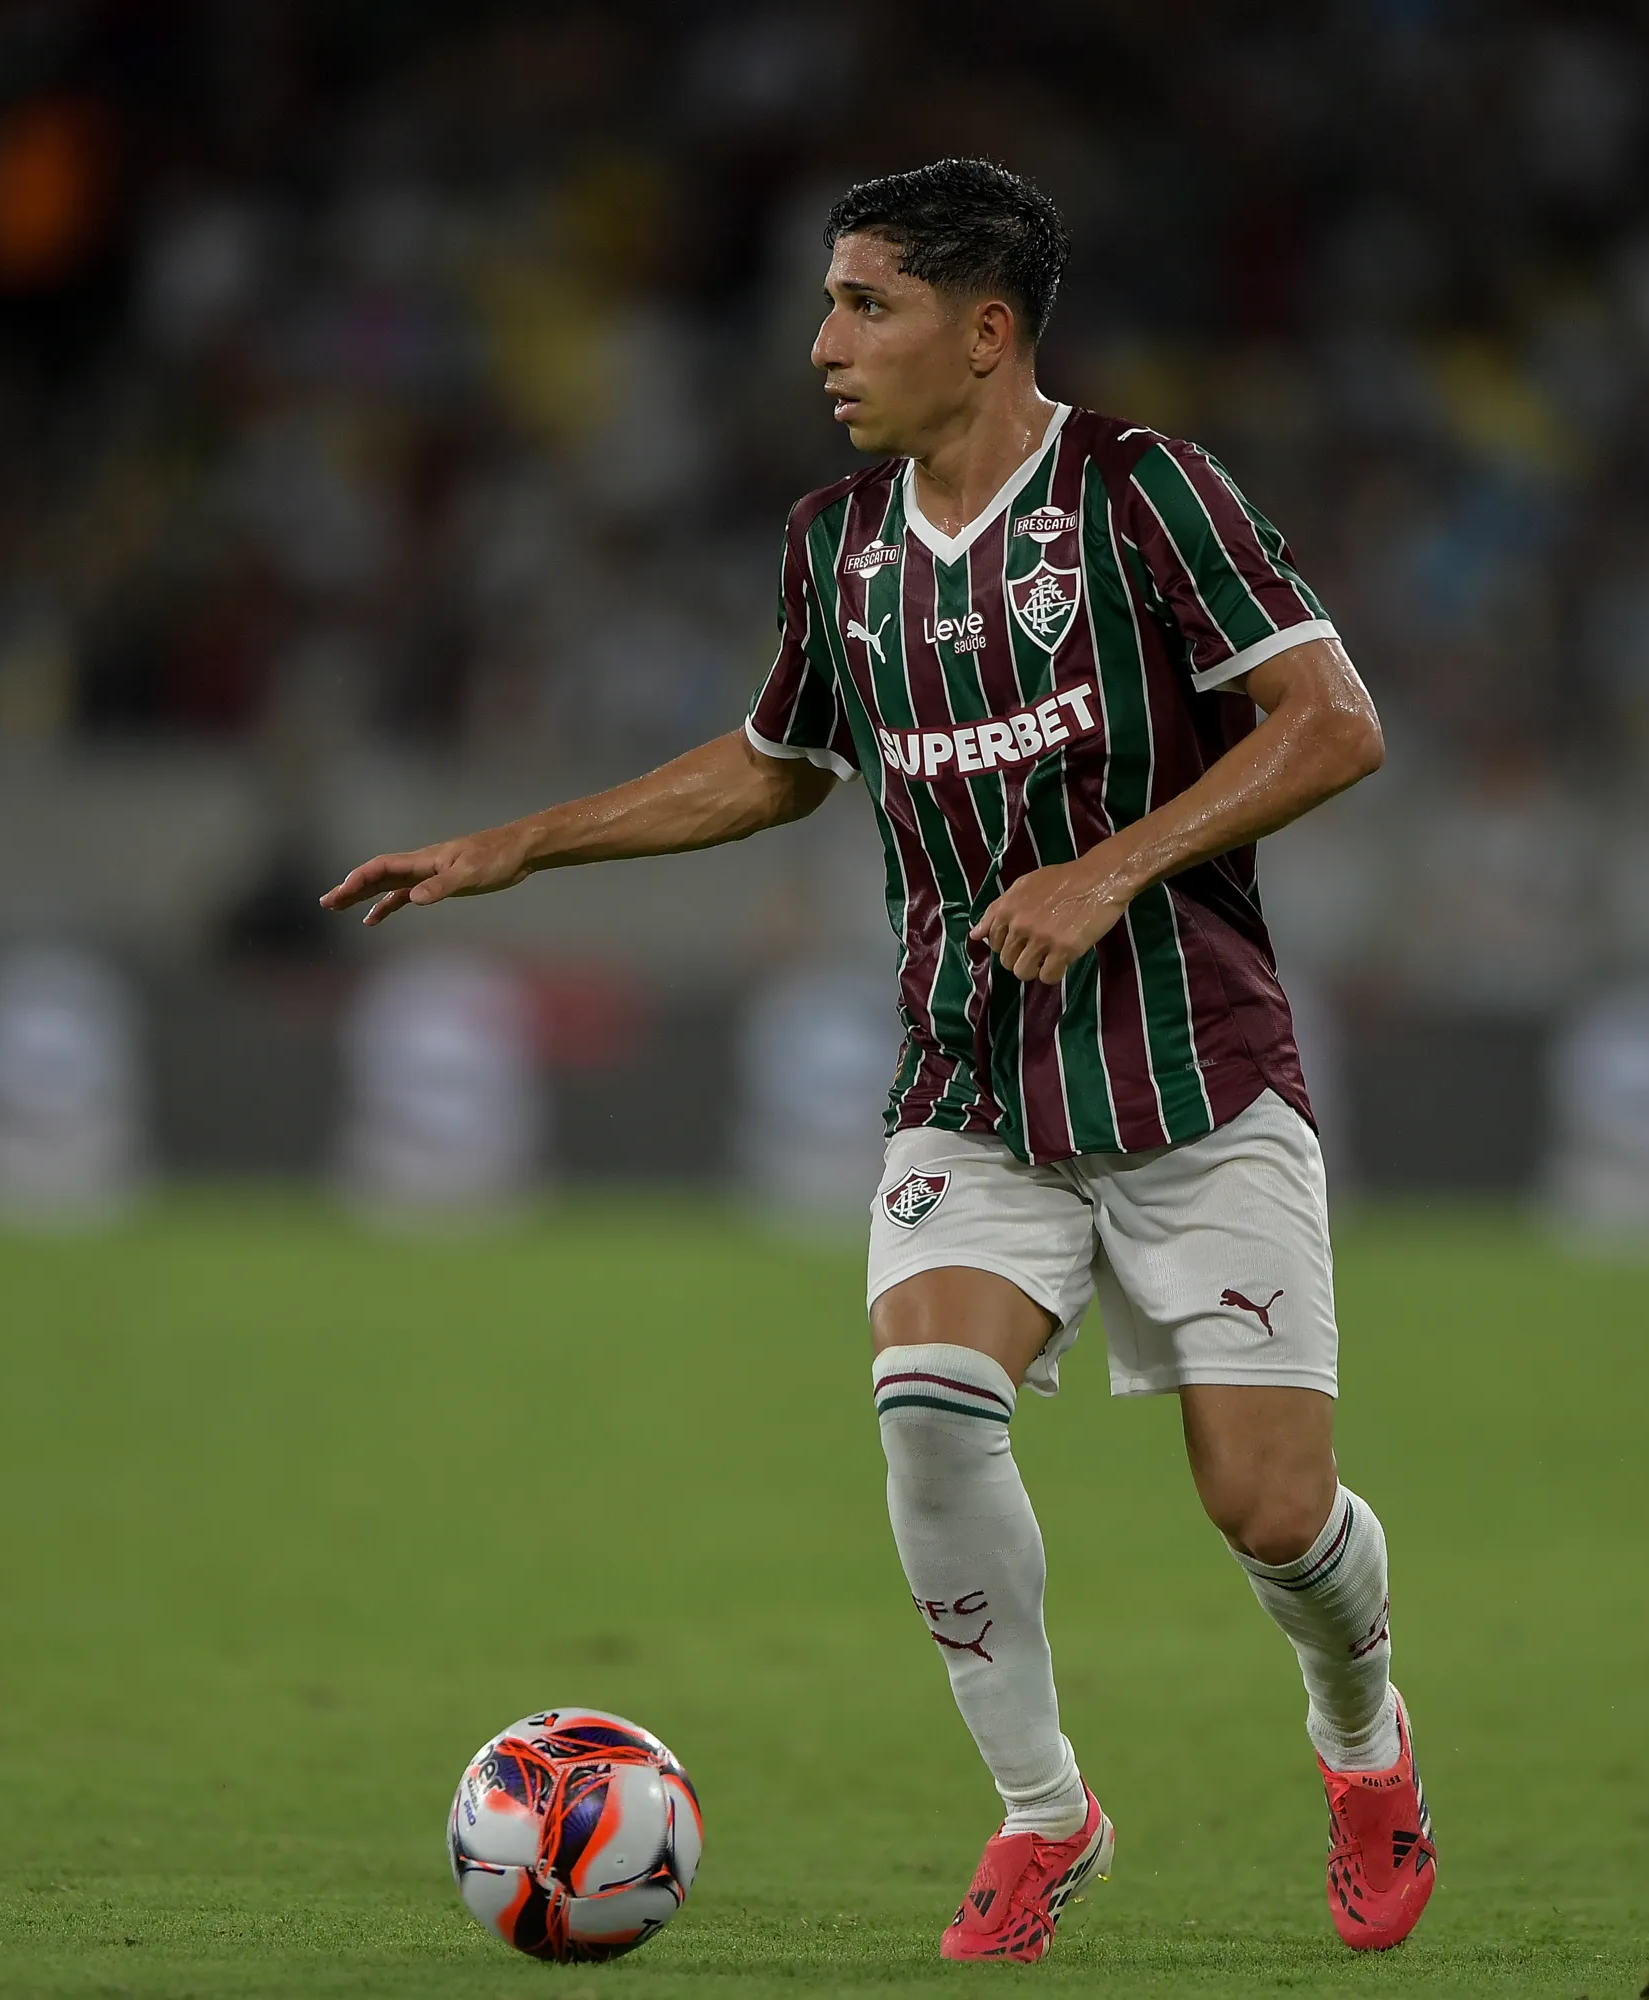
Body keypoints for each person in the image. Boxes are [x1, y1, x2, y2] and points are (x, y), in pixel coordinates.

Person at [324, 159, 1430, 1962]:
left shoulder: (1150, 497)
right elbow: (775, 761)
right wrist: (520, 846)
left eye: (865, 305)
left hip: (1189, 1080)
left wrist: (1111, 864)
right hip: (972, 1080)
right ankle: (1045, 1817)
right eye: (830, 304)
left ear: (984, 330)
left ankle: (1364, 1743)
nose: (825, 343)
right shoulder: (833, 546)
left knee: (1272, 1511)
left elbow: (1337, 724)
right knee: (927, 1407)